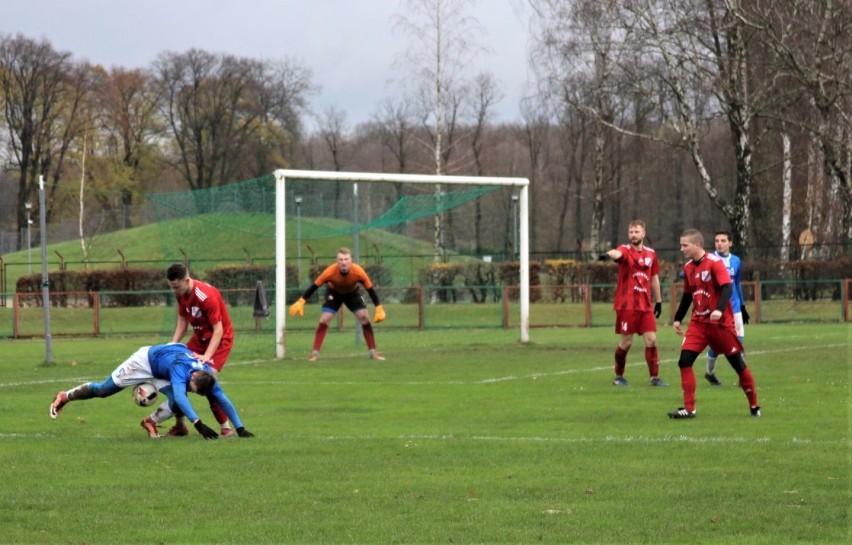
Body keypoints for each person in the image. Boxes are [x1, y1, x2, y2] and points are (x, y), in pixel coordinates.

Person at [49, 342, 255, 439]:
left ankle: (150, 422)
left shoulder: (207, 375)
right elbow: (183, 397)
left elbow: (223, 399)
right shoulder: (180, 372)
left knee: (175, 401)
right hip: (143, 362)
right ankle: (65, 396)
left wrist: (240, 428)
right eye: (192, 388)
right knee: (104, 390)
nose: (192, 391)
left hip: (164, 365)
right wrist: (198, 423)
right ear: (192, 378)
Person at [669, 229, 760, 419]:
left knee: (738, 365)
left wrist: (719, 309)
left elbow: (727, 287)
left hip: (721, 325)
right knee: (684, 361)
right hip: (698, 324)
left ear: (697, 245)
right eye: (681, 245)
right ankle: (689, 409)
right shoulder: (687, 268)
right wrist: (677, 318)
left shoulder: (715, 263)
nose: (681, 248)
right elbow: (687, 295)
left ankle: (754, 405)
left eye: (685, 245)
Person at [149, 263, 235, 437]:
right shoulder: (181, 293)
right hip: (199, 339)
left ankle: (226, 428)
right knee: (177, 375)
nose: (174, 291)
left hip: (219, 342)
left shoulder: (206, 297)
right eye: (171, 287)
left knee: (207, 380)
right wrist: (172, 346)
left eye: (176, 287)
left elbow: (218, 329)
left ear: (187, 280)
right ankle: (180, 426)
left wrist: (206, 357)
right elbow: (182, 320)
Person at [598, 220, 667, 387]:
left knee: (651, 340)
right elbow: (617, 253)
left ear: (643, 234)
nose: (633, 235)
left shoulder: (651, 254)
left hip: (645, 305)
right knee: (626, 342)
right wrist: (607, 255)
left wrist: (658, 301)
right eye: (631, 232)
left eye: (636, 232)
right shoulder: (625, 250)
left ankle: (654, 378)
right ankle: (618, 376)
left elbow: (654, 278)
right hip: (626, 304)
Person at [289, 247, 386, 361]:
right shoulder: (329, 272)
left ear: (351, 260)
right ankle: (314, 354)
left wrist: (379, 308)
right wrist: (301, 301)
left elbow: (370, 290)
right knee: (324, 319)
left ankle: (373, 353)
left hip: (352, 294)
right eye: (341, 259)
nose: (343, 262)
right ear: (337, 261)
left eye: (346, 259)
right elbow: (314, 287)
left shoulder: (358, 272)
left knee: (364, 317)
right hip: (334, 293)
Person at [704, 230, 750, 386]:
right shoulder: (708, 260)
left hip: (734, 307)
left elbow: (736, 284)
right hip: (716, 309)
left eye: (723, 240)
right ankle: (709, 374)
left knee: (739, 341)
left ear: (730, 243)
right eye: (717, 240)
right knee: (716, 345)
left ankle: (743, 377)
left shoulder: (736, 261)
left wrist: (742, 306)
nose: (719, 243)